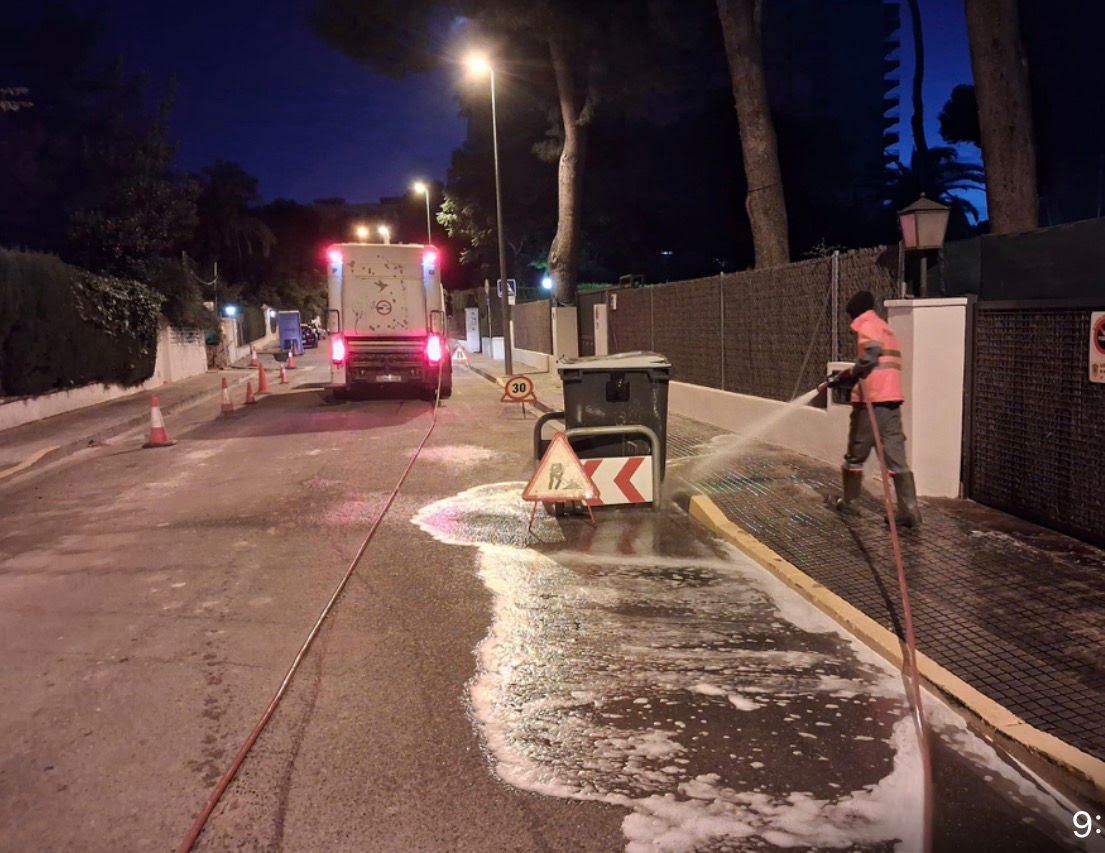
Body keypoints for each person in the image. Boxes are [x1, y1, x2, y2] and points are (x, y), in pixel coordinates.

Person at [824, 290, 921, 527]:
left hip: (871, 400)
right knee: (896, 458)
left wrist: (851, 373)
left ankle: (849, 503)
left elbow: (871, 354)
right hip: (891, 400)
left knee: (856, 454)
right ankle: (909, 511)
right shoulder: (885, 327)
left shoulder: (867, 324)